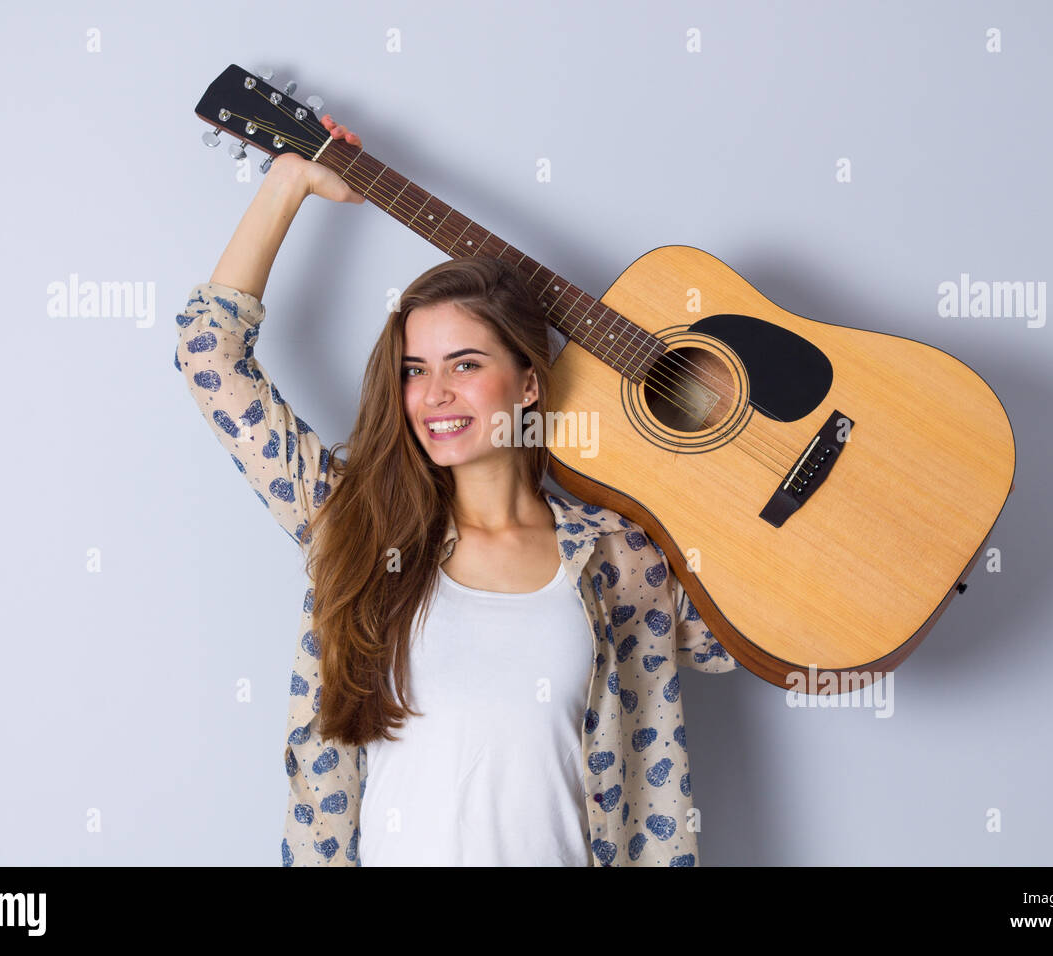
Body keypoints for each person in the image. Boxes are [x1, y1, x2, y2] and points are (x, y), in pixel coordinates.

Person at [174, 114, 739, 867]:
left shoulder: (622, 553)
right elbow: (209, 352)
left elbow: (767, 636)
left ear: (529, 383)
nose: (435, 393)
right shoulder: (356, 525)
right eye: (416, 369)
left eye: (466, 364)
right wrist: (291, 181)